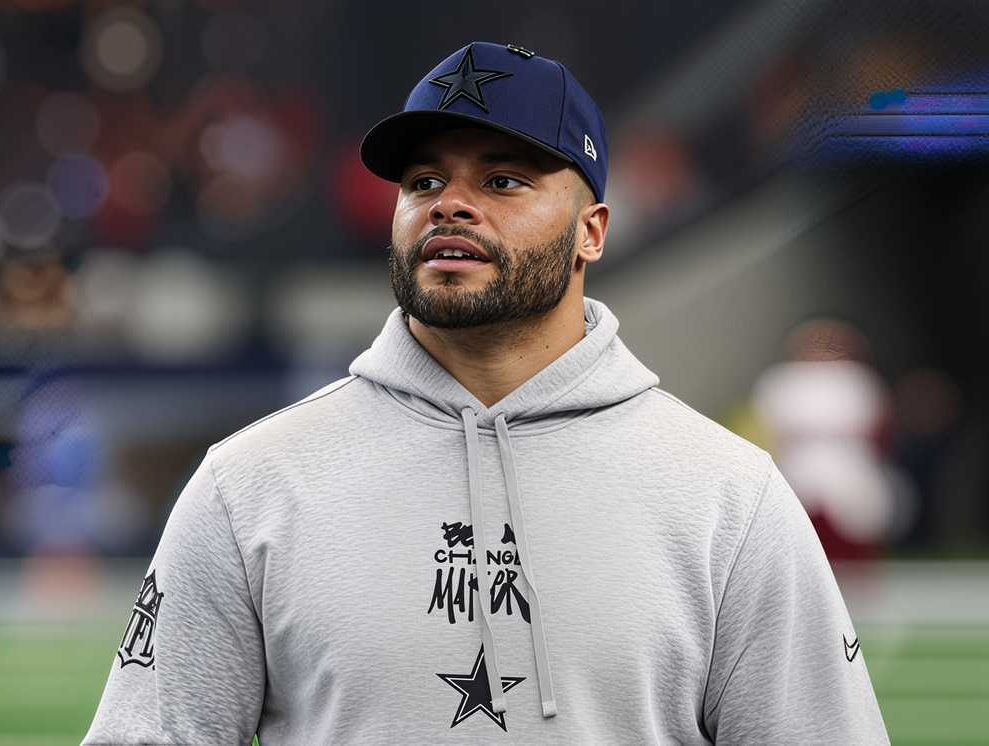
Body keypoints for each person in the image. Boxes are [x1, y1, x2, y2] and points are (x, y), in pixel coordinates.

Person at [82, 41, 889, 744]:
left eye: (504, 180)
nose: (450, 203)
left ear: (592, 232)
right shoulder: (248, 485)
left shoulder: (728, 497)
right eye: (423, 179)